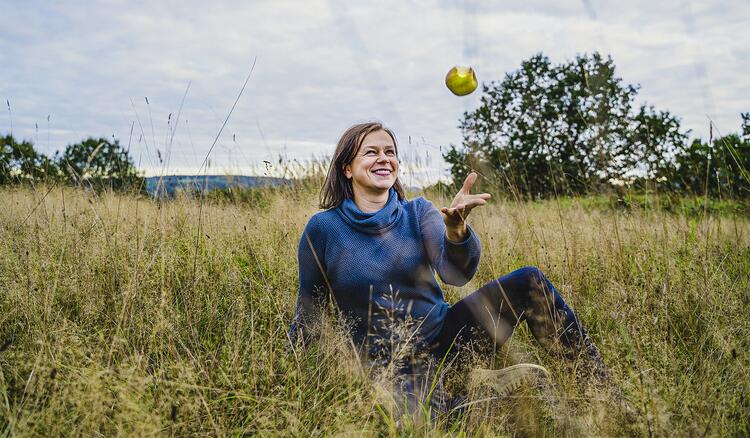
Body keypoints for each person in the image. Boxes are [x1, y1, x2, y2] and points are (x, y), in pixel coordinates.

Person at [288, 121, 608, 414]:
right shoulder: (324, 228)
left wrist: (456, 233)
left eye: (390, 152)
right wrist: (295, 376)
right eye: (371, 152)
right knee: (426, 420)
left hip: (447, 338)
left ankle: (600, 392)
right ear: (347, 168)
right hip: (386, 363)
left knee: (529, 281)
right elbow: (310, 308)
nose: (384, 158)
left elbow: (455, 274)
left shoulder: (418, 211)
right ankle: (482, 387)